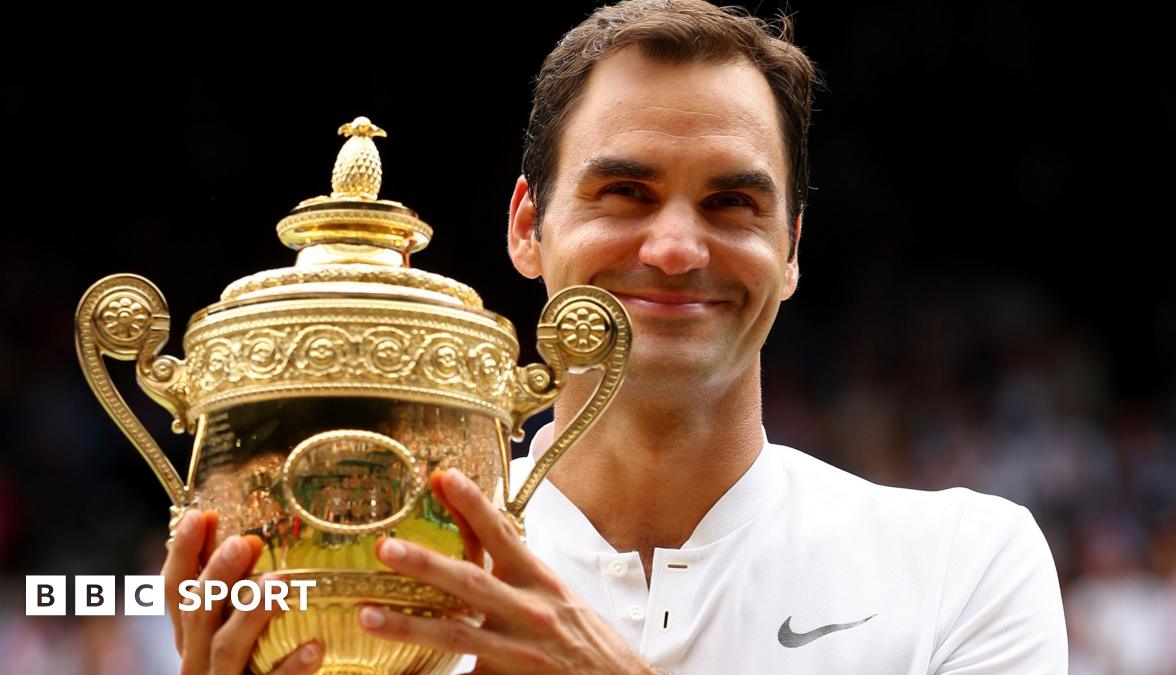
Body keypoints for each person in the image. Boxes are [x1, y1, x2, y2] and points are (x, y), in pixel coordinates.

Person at [162, 1, 1069, 672]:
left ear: (790, 251)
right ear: (527, 227)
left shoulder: (964, 562)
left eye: (732, 203)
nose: (676, 248)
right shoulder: (365, 574)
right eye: (624, 193)